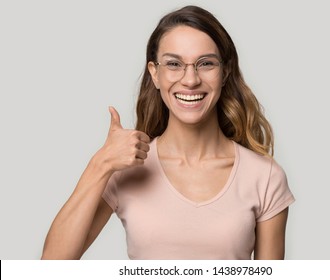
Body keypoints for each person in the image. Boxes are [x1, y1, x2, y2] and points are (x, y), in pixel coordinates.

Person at [41, 5, 295, 260]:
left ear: (225, 72)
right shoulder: (126, 169)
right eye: (174, 64)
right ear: (155, 73)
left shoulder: (264, 176)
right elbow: (52, 265)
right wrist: (101, 163)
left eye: (205, 63)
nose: (190, 79)